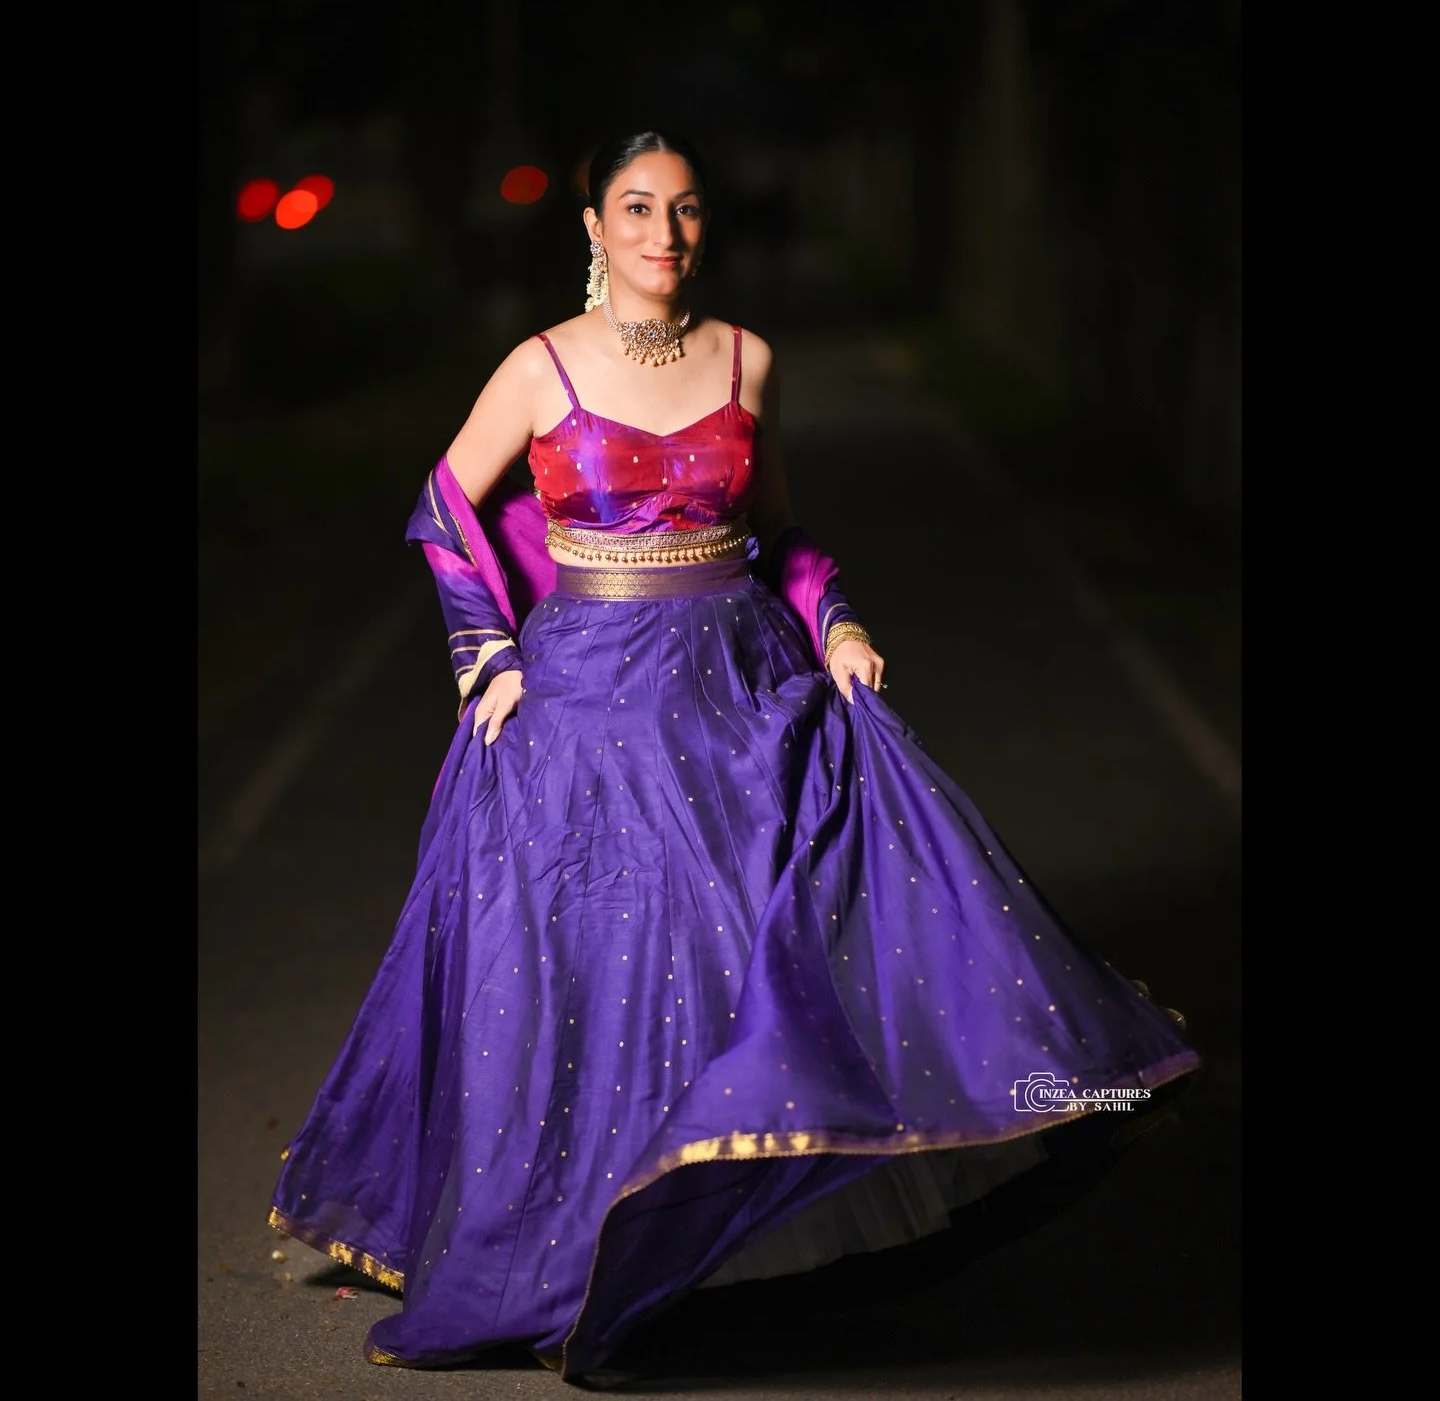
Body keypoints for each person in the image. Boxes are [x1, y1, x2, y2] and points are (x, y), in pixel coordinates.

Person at [268, 129, 1200, 1383]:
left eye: (688, 209)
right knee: (603, 963)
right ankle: (588, 1242)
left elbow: (781, 532)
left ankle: (722, 1241)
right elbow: (443, 507)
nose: (665, 231)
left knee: (751, 944)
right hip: (589, 700)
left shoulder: (748, 359)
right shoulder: (540, 365)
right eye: (638, 208)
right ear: (594, 228)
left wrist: (841, 622)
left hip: (738, 681)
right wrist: (484, 653)